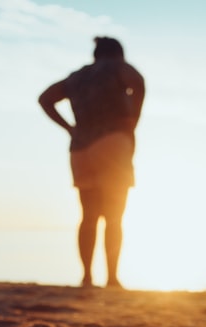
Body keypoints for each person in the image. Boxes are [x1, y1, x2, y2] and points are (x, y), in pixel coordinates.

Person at [39, 36, 145, 289]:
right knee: (114, 216)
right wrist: (133, 118)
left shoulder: (77, 77)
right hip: (113, 143)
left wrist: (70, 128)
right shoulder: (118, 67)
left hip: (81, 148)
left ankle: (86, 277)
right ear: (117, 54)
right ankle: (111, 278)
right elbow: (138, 83)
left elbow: (45, 98)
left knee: (88, 216)